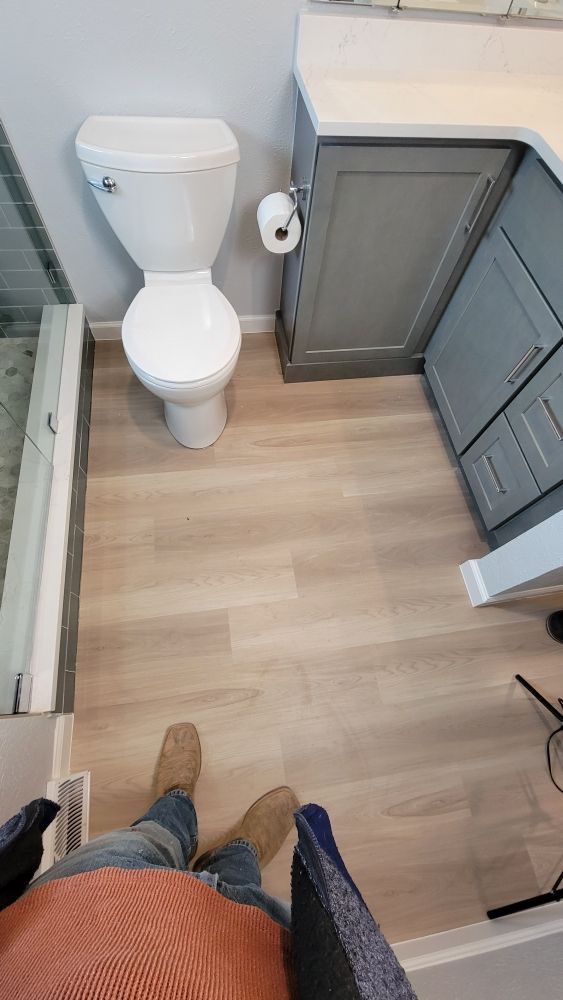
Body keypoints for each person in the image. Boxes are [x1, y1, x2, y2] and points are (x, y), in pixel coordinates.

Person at [0, 723, 299, 999]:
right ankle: (239, 852)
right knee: (242, 888)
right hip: (255, 965)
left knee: (151, 837)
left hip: (70, 917)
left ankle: (177, 800)